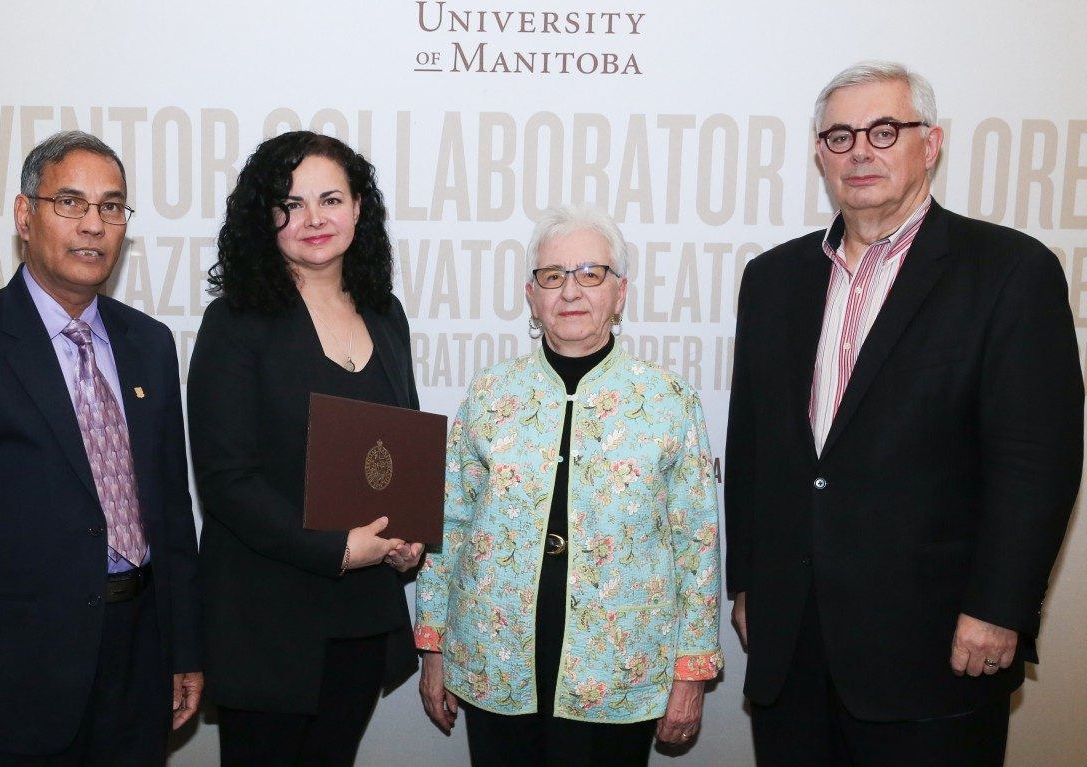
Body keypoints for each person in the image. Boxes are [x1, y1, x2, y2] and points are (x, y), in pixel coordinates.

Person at [725, 61, 1084, 766]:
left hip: (937, 647)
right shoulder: (772, 278)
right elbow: (753, 449)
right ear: (819, 153)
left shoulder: (1010, 271)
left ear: (933, 143)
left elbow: (1036, 461)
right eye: (839, 136)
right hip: (792, 645)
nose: (860, 151)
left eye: (884, 130)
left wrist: (999, 606)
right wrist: (748, 584)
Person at [0, 130, 203, 767]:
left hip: (139, 661)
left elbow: (169, 511)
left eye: (112, 207)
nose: (94, 225)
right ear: (24, 216)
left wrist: (185, 648)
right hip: (13, 678)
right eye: (71, 203)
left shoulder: (149, 343)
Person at [414, 204, 723, 766]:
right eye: (552, 276)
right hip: (496, 657)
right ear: (532, 297)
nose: (571, 291)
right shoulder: (490, 396)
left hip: (621, 667)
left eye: (591, 273)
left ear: (620, 292)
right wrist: (433, 645)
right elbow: (448, 524)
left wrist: (691, 672)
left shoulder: (669, 402)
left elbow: (696, 544)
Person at [187, 131, 423, 767]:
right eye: (289, 204)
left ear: (358, 210)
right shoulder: (235, 322)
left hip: (362, 612)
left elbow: (401, 449)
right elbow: (227, 481)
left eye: (330, 199)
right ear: (264, 219)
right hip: (267, 616)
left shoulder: (386, 313)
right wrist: (337, 548)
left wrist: (410, 533)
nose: (313, 219)